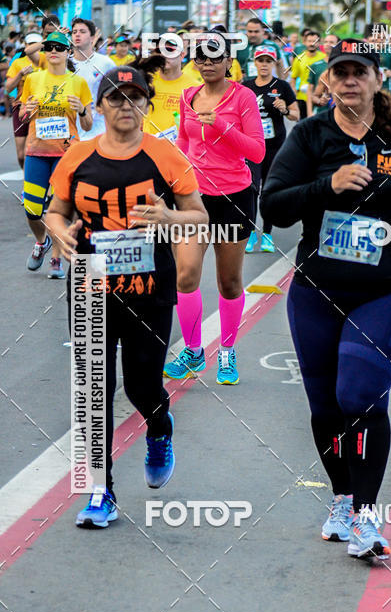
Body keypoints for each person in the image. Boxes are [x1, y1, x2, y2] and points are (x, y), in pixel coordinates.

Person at [261, 38, 391, 559]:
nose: (348, 81)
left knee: (360, 397)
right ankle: (343, 498)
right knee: (325, 406)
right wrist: (328, 185)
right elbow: (273, 207)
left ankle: (367, 517)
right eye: (339, 72)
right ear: (327, 80)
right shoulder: (309, 135)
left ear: (377, 80)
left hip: (387, 288)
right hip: (317, 289)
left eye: (358, 72)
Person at [45, 65, 207, 528]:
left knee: (141, 385)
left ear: (147, 105)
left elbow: (198, 216)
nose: (125, 105)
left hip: (148, 284)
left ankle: (159, 425)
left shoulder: (165, 155)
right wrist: (59, 233)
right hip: (91, 281)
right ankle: (101, 491)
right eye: (115, 97)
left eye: (134, 97)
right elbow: (55, 211)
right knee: (93, 390)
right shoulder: (77, 156)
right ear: (100, 106)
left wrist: (168, 218)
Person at [163, 32, 265, 385]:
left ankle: (227, 350)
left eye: (214, 57)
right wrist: (174, 175)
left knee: (229, 282)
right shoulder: (188, 96)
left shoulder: (243, 97)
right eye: (201, 58)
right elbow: (183, 139)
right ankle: (193, 350)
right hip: (194, 199)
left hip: (234, 198)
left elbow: (257, 152)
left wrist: (220, 125)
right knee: (185, 275)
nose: (207, 64)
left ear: (228, 62)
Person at [19, 30, 93, 278]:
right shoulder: (33, 79)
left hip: (67, 154)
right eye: (49, 47)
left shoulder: (78, 82)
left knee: (58, 210)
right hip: (37, 152)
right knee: (32, 210)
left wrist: (82, 110)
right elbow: (22, 117)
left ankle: (56, 260)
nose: (53, 51)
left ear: (68, 52)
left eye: (59, 47)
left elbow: (88, 125)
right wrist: (27, 111)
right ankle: (42, 242)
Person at [243, 46, 299, 253]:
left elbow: (296, 115)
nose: (264, 65)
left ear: (274, 64)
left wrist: (284, 109)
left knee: (268, 190)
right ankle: (250, 233)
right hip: (252, 147)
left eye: (268, 61)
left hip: (274, 146)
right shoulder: (246, 86)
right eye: (261, 60)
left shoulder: (282, 86)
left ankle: (267, 234)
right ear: (255, 63)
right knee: (251, 190)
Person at [142, 38, 198, 141]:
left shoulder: (195, 87)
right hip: (147, 145)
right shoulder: (146, 81)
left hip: (179, 148)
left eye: (169, 50)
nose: (163, 55)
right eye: (159, 51)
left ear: (182, 55)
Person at [71, 17, 115, 140]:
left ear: (92, 38)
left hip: (99, 129)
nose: (77, 35)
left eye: (82, 32)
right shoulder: (65, 64)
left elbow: (117, 92)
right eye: (74, 32)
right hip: (71, 130)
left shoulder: (106, 63)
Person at [5, 32, 44, 169]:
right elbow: (8, 87)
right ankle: (25, 173)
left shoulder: (46, 61)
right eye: (30, 44)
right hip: (21, 106)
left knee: (30, 151)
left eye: (36, 44)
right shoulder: (18, 63)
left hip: (40, 108)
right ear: (26, 45)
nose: (33, 47)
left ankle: (31, 178)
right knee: (21, 155)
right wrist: (20, 74)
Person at [290, 30, 326, 119]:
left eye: (314, 41)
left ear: (319, 43)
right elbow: (293, 77)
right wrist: (293, 92)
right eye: (309, 41)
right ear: (304, 42)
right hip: (302, 97)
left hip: (319, 98)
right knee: (303, 123)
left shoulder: (324, 58)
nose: (312, 44)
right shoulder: (299, 58)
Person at [306, 33, 338, 115]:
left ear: (338, 45)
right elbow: (310, 92)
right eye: (326, 42)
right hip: (321, 113)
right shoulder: (315, 65)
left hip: (341, 114)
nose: (328, 44)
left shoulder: (345, 65)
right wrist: (310, 112)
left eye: (331, 42)